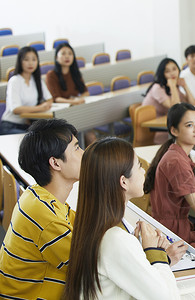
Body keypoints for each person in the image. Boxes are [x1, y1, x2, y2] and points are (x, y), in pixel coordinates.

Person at [64, 137, 181, 299]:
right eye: (139, 166)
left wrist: (140, 252)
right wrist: (155, 252)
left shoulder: (92, 222)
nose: (143, 171)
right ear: (123, 181)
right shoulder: (115, 238)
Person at [0, 119, 82, 299]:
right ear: (55, 163)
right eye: (76, 148)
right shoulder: (46, 216)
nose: (84, 153)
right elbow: (91, 266)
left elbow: (85, 227)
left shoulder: (38, 195)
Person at [144, 103, 195, 259]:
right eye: (189, 125)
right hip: (171, 236)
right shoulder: (177, 162)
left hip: (171, 229)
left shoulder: (175, 154)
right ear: (174, 130)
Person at [142, 58, 195, 144]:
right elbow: (176, 107)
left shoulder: (174, 86)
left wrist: (185, 86)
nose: (172, 73)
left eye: (174, 69)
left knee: (194, 134)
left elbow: (193, 103)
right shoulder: (157, 88)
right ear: (162, 74)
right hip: (155, 130)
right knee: (190, 134)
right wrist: (172, 86)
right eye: (167, 71)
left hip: (168, 125)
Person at [0, 47, 52, 135]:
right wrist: (40, 108)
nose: (30, 63)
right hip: (9, 126)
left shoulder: (37, 80)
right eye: (26, 59)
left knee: (48, 134)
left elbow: (49, 99)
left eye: (34, 59)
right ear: (20, 61)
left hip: (26, 124)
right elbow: (16, 109)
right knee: (37, 138)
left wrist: (46, 105)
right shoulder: (15, 80)